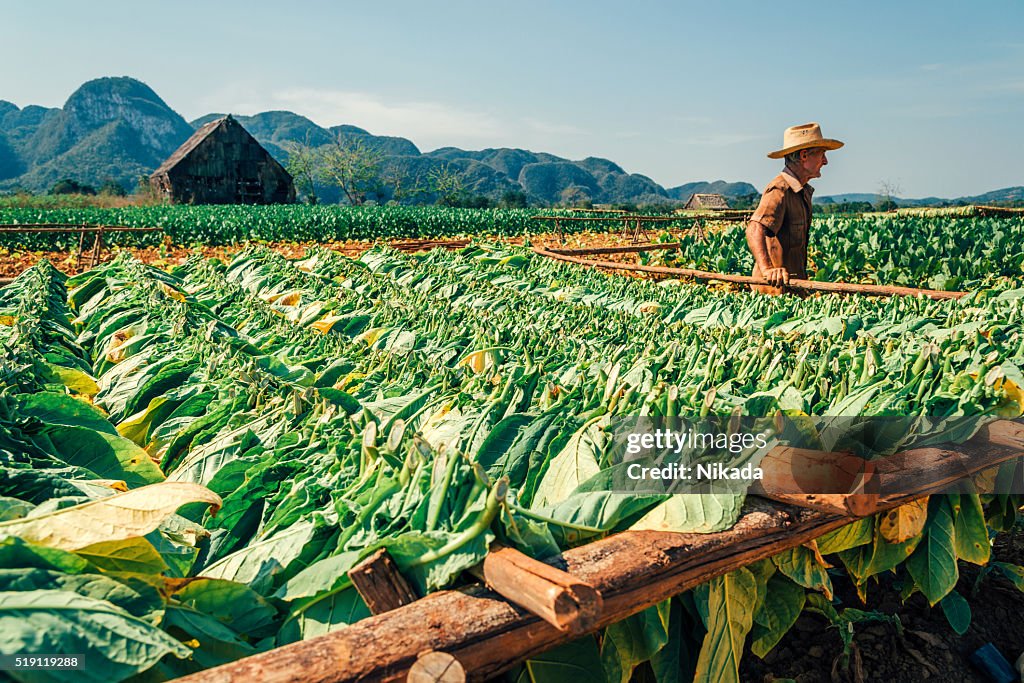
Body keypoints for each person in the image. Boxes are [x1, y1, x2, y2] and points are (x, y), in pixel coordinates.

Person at [745, 122, 843, 295]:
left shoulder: (802, 192)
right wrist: (768, 270)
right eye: (822, 154)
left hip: (793, 289)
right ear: (804, 155)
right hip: (772, 293)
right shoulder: (780, 189)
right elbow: (754, 228)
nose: (825, 161)